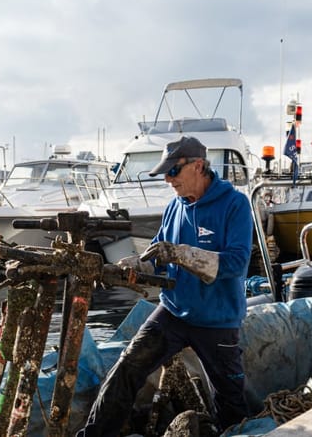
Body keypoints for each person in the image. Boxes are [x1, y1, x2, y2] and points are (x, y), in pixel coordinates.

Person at [77, 135, 253, 436]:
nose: (168, 180)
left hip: (217, 319)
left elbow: (236, 263)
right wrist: (132, 266)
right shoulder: (175, 206)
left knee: (229, 396)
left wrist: (182, 254)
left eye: (173, 171)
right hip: (173, 311)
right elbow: (158, 252)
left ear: (198, 166)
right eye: (165, 174)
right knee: (128, 366)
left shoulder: (235, 204)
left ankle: (235, 431)